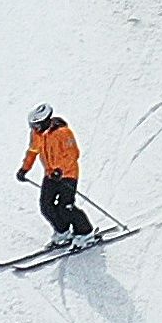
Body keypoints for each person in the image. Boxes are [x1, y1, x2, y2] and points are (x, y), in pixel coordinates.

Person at [18, 103, 98, 249]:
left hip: (67, 174)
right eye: (32, 125)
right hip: (50, 175)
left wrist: (60, 170)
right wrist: (24, 169)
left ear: (45, 121)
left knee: (65, 206)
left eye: (36, 125)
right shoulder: (37, 135)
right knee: (46, 206)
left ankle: (85, 233)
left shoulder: (63, 133)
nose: (34, 128)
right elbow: (32, 152)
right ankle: (63, 232)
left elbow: (73, 154)